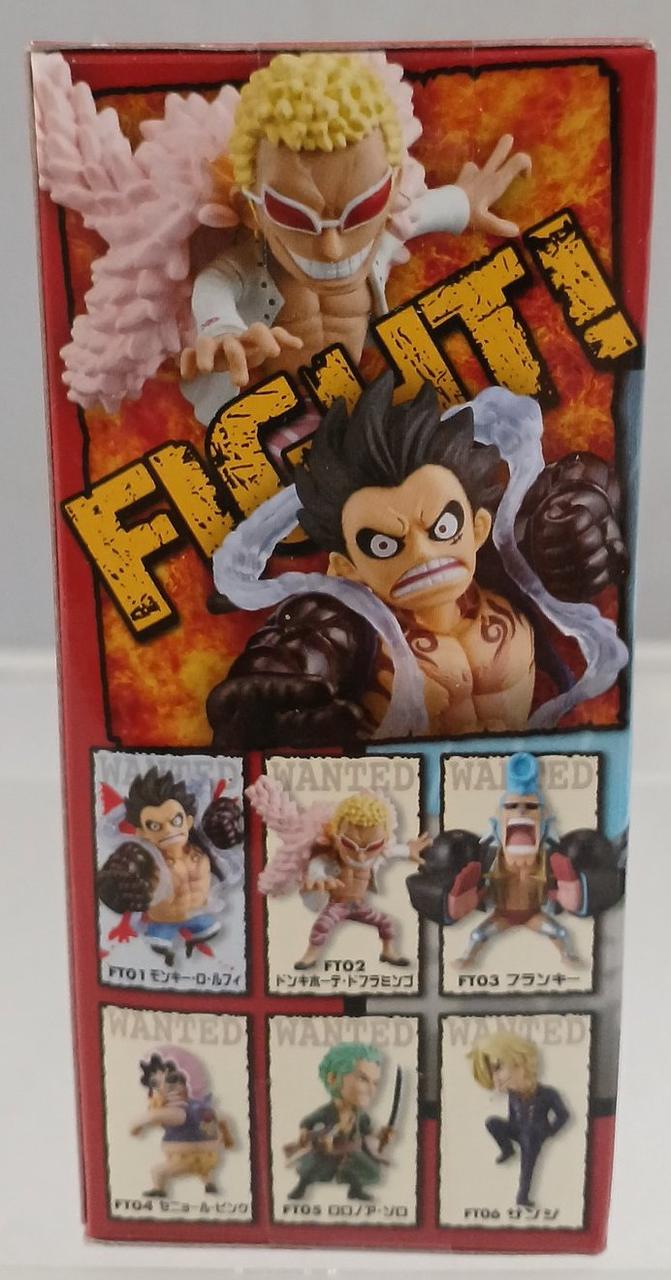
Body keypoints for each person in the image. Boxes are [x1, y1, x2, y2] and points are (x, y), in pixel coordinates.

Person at [468, 1032, 568, 1207]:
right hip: (518, 1129)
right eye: (492, 1072)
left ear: (519, 1062)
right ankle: (508, 1150)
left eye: (498, 1068)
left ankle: (522, 1197)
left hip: (534, 1135)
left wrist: (549, 1132)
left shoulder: (548, 1094)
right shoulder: (513, 1095)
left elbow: (563, 1115)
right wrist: (510, 1128)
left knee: (527, 1165)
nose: (495, 1078)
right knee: (492, 1122)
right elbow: (512, 1115)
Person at [285, 1043, 393, 1202]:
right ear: (333, 1078)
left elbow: (367, 1133)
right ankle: (301, 1186)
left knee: (367, 1171)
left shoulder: (361, 1115)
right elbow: (307, 1123)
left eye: (375, 1083)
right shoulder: (327, 1111)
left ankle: (355, 1190)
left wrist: (382, 1136)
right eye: (363, 1079)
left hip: (351, 1153)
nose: (371, 1090)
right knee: (311, 1171)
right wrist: (305, 1135)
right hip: (328, 1151)